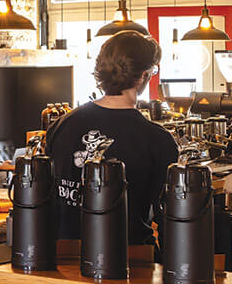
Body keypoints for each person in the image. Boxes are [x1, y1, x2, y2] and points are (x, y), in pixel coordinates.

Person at [46, 31, 179, 249]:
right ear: (144, 75)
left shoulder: (62, 125)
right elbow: (171, 219)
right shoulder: (157, 140)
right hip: (130, 264)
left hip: (64, 261)